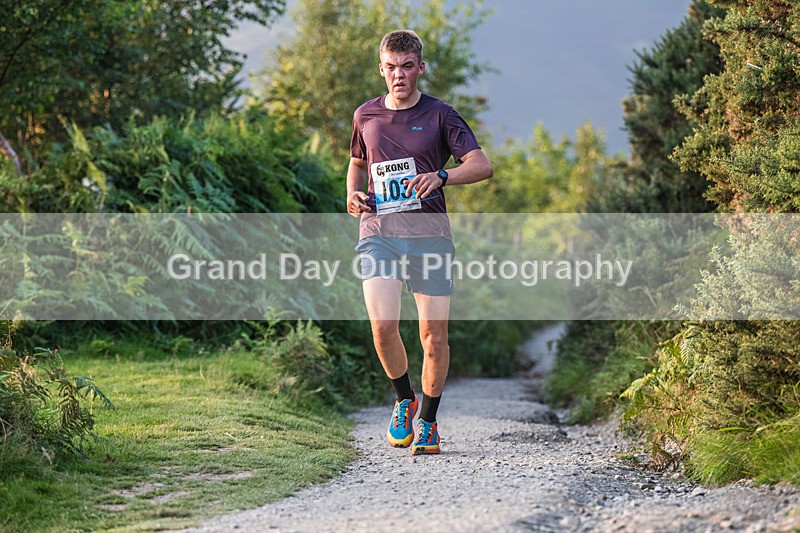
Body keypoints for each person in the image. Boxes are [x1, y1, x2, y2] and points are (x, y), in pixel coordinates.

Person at [346, 29, 492, 455]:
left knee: (433, 336)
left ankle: (427, 421)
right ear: (381, 69)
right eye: (391, 67)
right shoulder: (365, 115)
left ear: (420, 68)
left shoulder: (441, 115)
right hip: (379, 234)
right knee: (382, 327)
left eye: (407, 67)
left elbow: (481, 165)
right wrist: (352, 194)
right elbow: (357, 164)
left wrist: (442, 176)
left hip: (429, 237)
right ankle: (403, 399)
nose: (399, 75)